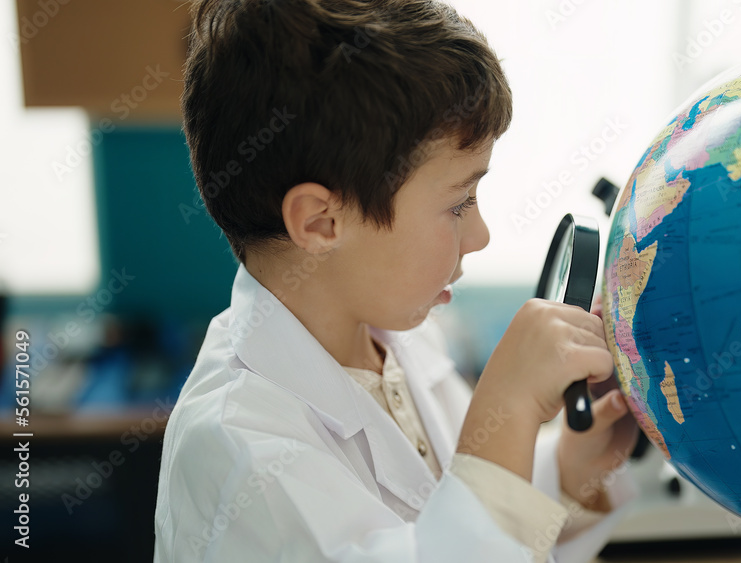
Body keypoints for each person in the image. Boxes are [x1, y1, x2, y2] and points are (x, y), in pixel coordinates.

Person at [153, 1, 639, 561]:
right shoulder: (235, 448)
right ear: (320, 222)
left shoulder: (405, 339)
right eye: (459, 203)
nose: (479, 234)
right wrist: (506, 406)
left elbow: (449, 521)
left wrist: (570, 469)